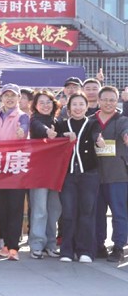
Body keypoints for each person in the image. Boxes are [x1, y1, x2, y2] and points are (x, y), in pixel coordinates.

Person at [53, 93, 101, 263]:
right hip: (67, 175)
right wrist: (62, 137)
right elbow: (53, 142)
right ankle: (67, 251)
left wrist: (99, 141)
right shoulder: (61, 124)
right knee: (68, 213)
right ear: (69, 107)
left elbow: (96, 135)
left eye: (81, 104)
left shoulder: (93, 123)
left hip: (89, 174)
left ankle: (85, 251)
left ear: (87, 107)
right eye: (74, 104)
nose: (78, 108)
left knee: (86, 213)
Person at [0, 83, 29, 261]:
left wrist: (21, 132)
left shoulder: (22, 116)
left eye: (13, 95)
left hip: (16, 169)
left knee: (15, 208)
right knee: (2, 209)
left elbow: (24, 129)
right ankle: (5, 244)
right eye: (6, 95)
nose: (9, 99)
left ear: (19, 98)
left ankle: (13, 247)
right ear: (1, 97)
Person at [91, 86, 128, 263]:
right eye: (105, 99)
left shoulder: (122, 120)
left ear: (117, 101)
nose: (108, 103)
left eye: (112, 100)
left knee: (119, 212)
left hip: (117, 176)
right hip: (94, 176)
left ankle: (118, 246)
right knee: (97, 213)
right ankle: (99, 245)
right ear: (99, 101)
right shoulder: (90, 121)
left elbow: (125, 132)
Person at [27, 90, 62, 259]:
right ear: (35, 105)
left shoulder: (59, 122)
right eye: (41, 102)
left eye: (48, 102)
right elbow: (40, 128)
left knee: (54, 210)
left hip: (55, 173)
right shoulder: (34, 121)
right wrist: (48, 132)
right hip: (38, 173)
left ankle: (51, 244)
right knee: (39, 209)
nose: (45, 105)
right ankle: (36, 244)